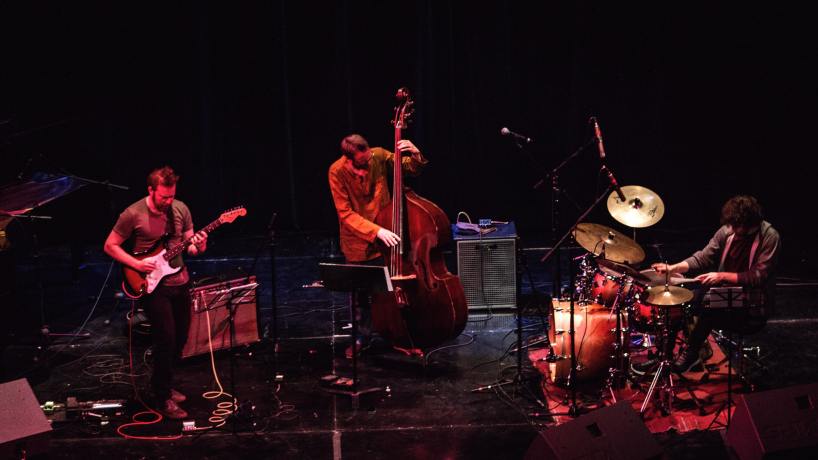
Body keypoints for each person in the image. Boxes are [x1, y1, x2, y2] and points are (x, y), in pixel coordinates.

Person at [104, 166, 207, 419]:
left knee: (181, 339)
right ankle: (162, 396)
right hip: (153, 285)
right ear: (151, 190)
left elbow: (191, 247)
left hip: (180, 281)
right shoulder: (133, 213)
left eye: (172, 196)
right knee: (166, 339)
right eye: (163, 197)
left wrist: (200, 245)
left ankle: (165, 384)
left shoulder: (181, 209)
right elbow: (110, 245)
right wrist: (136, 264)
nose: (168, 201)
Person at [643, 195, 780, 374]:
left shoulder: (769, 237)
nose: (731, 229)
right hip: (724, 295)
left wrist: (721, 276)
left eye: (736, 226)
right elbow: (703, 257)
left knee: (710, 308)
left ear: (749, 224)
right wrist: (673, 268)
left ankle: (691, 354)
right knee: (677, 301)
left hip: (751, 305)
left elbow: (757, 276)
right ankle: (664, 357)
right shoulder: (729, 230)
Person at [328, 133, 427, 357]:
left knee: (392, 291)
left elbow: (409, 168)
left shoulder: (378, 156)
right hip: (358, 240)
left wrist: (415, 153)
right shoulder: (336, 171)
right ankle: (362, 338)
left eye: (368, 162)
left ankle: (398, 337)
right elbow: (345, 214)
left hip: (387, 233)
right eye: (360, 166)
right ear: (348, 160)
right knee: (361, 296)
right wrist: (376, 231)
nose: (366, 169)